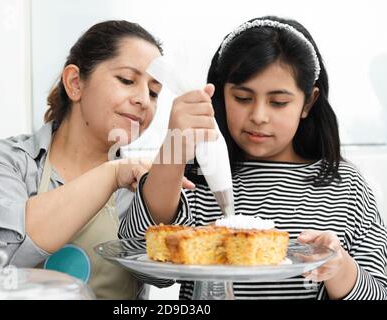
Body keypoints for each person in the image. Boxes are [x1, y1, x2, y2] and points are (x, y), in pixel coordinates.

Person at [119, 16, 387, 299]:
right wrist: (174, 146)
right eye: (243, 98)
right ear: (221, 95)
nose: (259, 116)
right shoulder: (193, 179)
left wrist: (340, 267)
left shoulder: (346, 187)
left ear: (308, 102)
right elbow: (144, 267)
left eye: (278, 102)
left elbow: (379, 293)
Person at [0, 20, 194, 299]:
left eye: (154, 93)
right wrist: (111, 174)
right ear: (75, 83)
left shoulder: (141, 183)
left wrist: (173, 155)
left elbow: (160, 271)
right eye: (127, 80)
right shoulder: (6, 162)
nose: (143, 99)